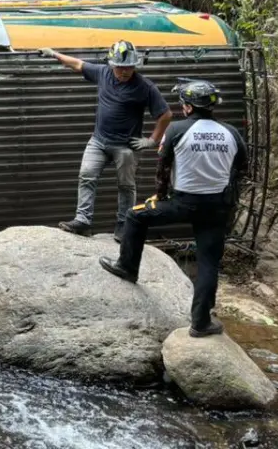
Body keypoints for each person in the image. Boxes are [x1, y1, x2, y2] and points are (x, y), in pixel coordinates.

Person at [99, 80, 246, 337]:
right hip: (218, 206)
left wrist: (160, 195)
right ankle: (201, 323)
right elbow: (241, 168)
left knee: (135, 216)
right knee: (208, 263)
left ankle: (127, 267)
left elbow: (163, 166)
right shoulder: (231, 132)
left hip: (183, 202)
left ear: (188, 107)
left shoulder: (177, 129)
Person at [41, 41, 172, 239]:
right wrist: (54, 54)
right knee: (86, 175)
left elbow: (166, 114)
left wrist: (152, 140)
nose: (125, 71)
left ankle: (123, 226)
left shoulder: (145, 87)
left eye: (129, 67)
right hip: (99, 141)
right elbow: (77, 64)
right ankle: (83, 221)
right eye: (120, 67)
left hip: (126, 147)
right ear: (112, 64)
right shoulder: (103, 73)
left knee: (126, 186)